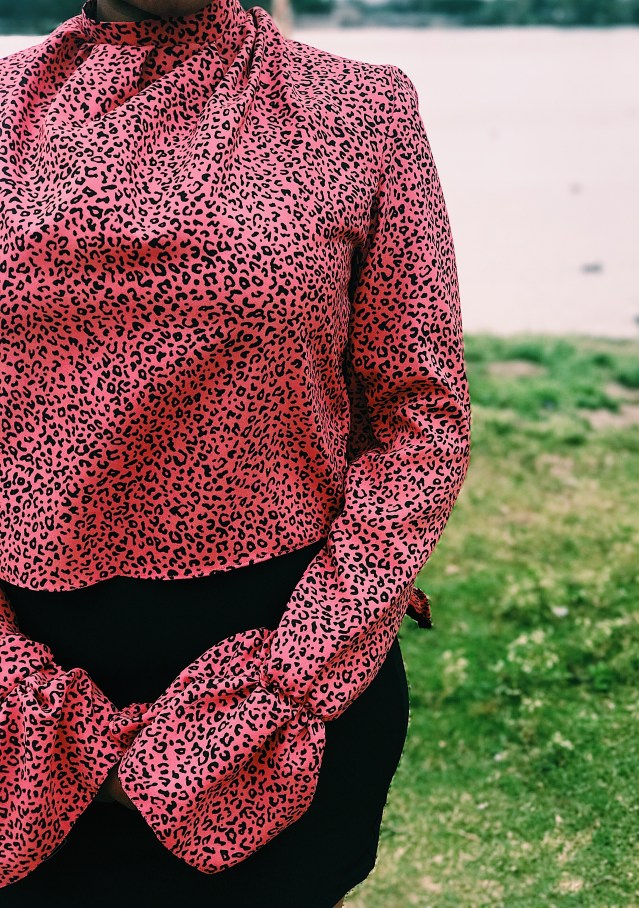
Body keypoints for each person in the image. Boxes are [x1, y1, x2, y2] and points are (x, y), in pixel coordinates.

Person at [0, 0, 472, 905]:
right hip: (24, 681)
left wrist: (297, 679)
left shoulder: (359, 110)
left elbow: (420, 416)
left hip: (288, 659)